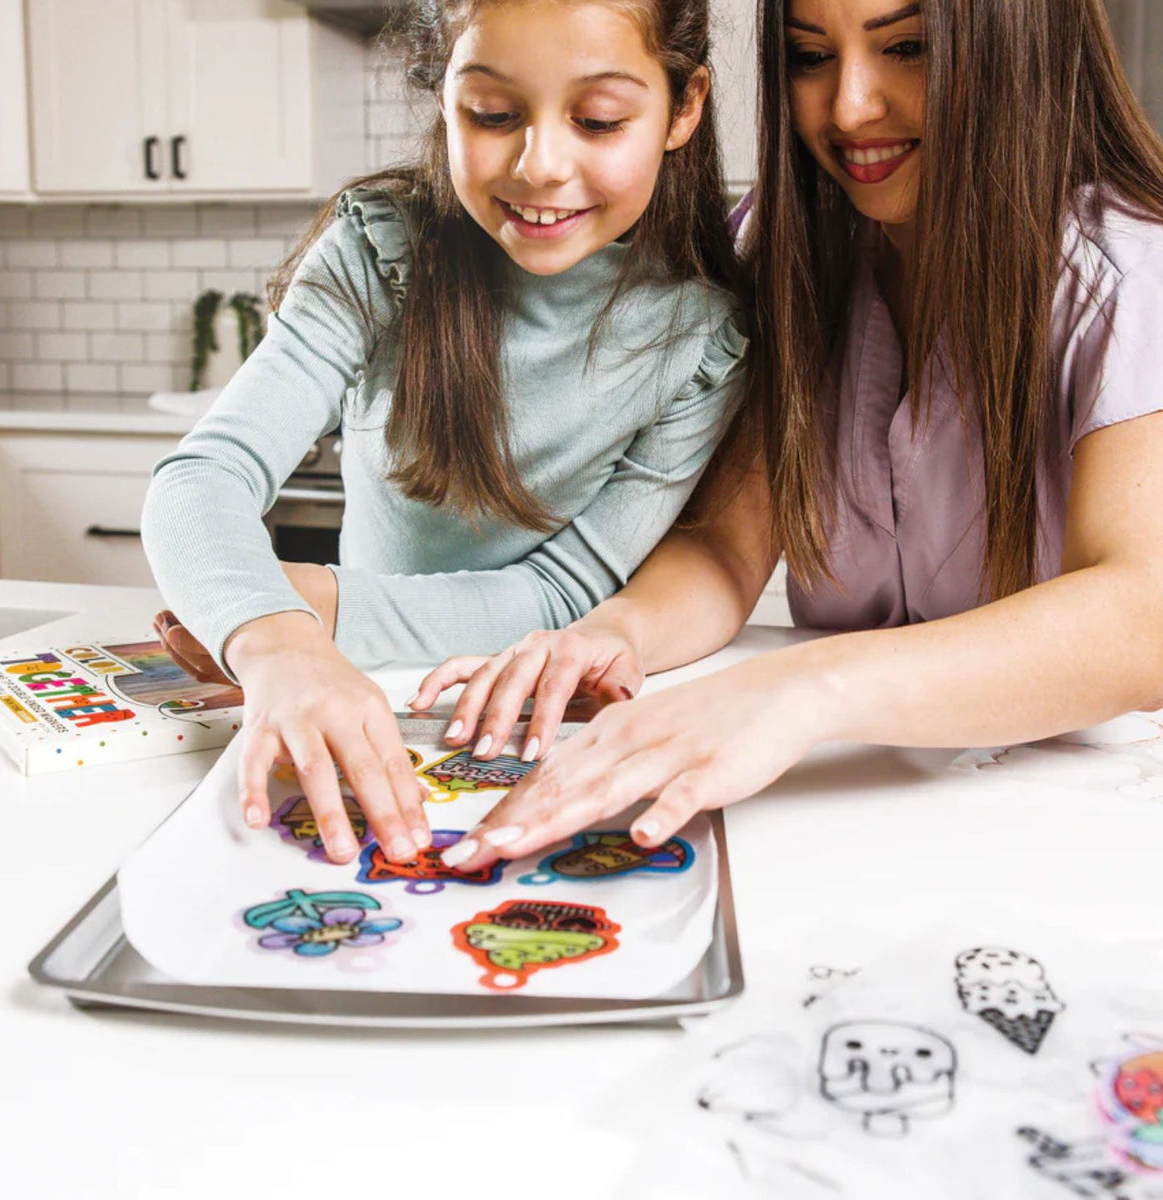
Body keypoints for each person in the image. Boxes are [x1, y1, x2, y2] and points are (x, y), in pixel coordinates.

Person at [424, 0, 1163, 873]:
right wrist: (613, 633)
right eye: (810, 56)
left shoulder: (1129, 271)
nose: (850, 107)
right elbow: (730, 547)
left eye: (908, 47)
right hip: (868, 805)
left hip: (1089, 823)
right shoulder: (786, 243)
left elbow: (1140, 615)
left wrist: (796, 690)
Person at [140, 0, 748, 868]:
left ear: (682, 109)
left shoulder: (703, 342)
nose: (540, 166)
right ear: (444, 97)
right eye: (493, 115)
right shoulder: (379, 249)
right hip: (332, 686)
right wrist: (277, 640)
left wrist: (323, 609)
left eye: (599, 120)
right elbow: (204, 475)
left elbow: (564, 595)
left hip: (528, 723)